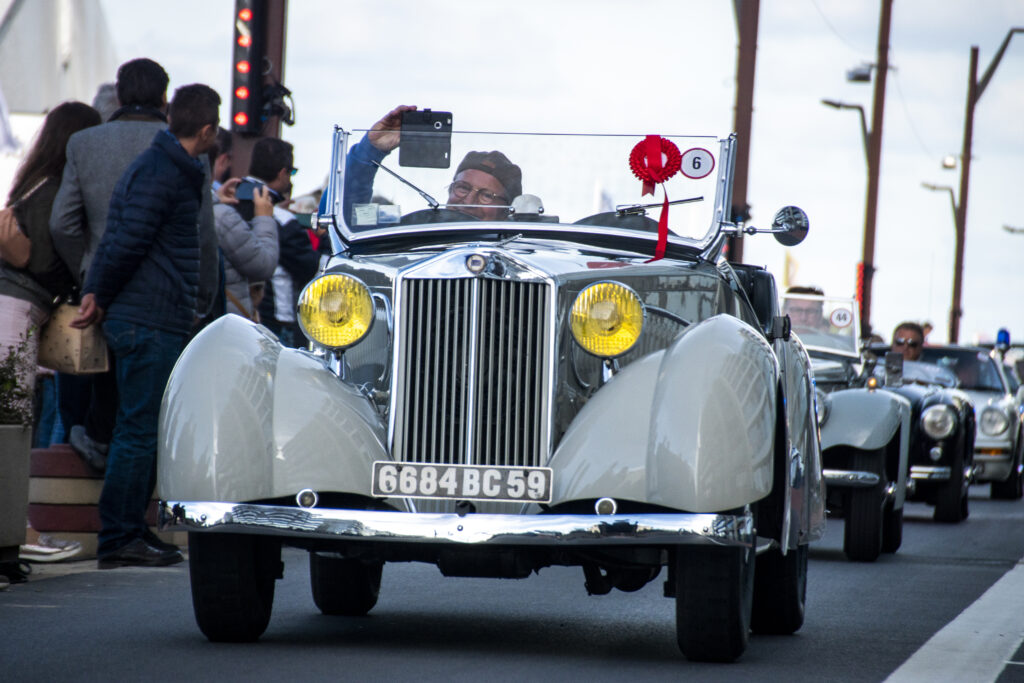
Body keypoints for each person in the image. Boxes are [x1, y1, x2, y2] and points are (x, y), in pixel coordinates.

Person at [71, 83, 222, 569]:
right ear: (206, 129)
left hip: (143, 315)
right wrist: (99, 295)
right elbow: (128, 239)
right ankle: (119, 537)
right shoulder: (165, 171)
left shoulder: (165, 167)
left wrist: (97, 290)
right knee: (139, 430)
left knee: (137, 427)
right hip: (148, 318)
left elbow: (115, 235)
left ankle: (131, 530)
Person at [50, 58, 219, 471]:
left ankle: (95, 480)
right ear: (165, 97)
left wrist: (89, 275)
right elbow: (203, 233)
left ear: (121, 96)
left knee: (99, 403)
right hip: (163, 297)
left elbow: (62, 223)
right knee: (143, 419)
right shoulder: (185, 149)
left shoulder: (85, 143)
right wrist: (202, 295)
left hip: (99, 292)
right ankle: (126, 522)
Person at [0, 101, 102, 578]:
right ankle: (20, 534)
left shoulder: (33, 181)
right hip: (16, 309)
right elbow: (41, 259)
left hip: (14, 306)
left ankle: (15, 535)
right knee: (12, 425)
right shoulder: (56, 191)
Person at [342, 104, 522, 223]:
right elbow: (347, 217)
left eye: (486, 196)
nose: (468, 201)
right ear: (450, 189)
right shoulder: (415, 222)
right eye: (462, 188)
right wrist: (370, 150)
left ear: (508, 210)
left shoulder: (526, 247)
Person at [245, 137, 323, 346]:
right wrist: (323, 238)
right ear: (282, 173)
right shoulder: (283, 220)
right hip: (275, 319)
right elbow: (309, 266)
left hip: (240, 313)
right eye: (292, 172)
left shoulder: (233, 202)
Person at [212, 176, 279, 321]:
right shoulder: (222, 217)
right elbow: (263, 265)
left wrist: (215, 199)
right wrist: (264, 218)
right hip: (227, 322)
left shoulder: (202, 209)